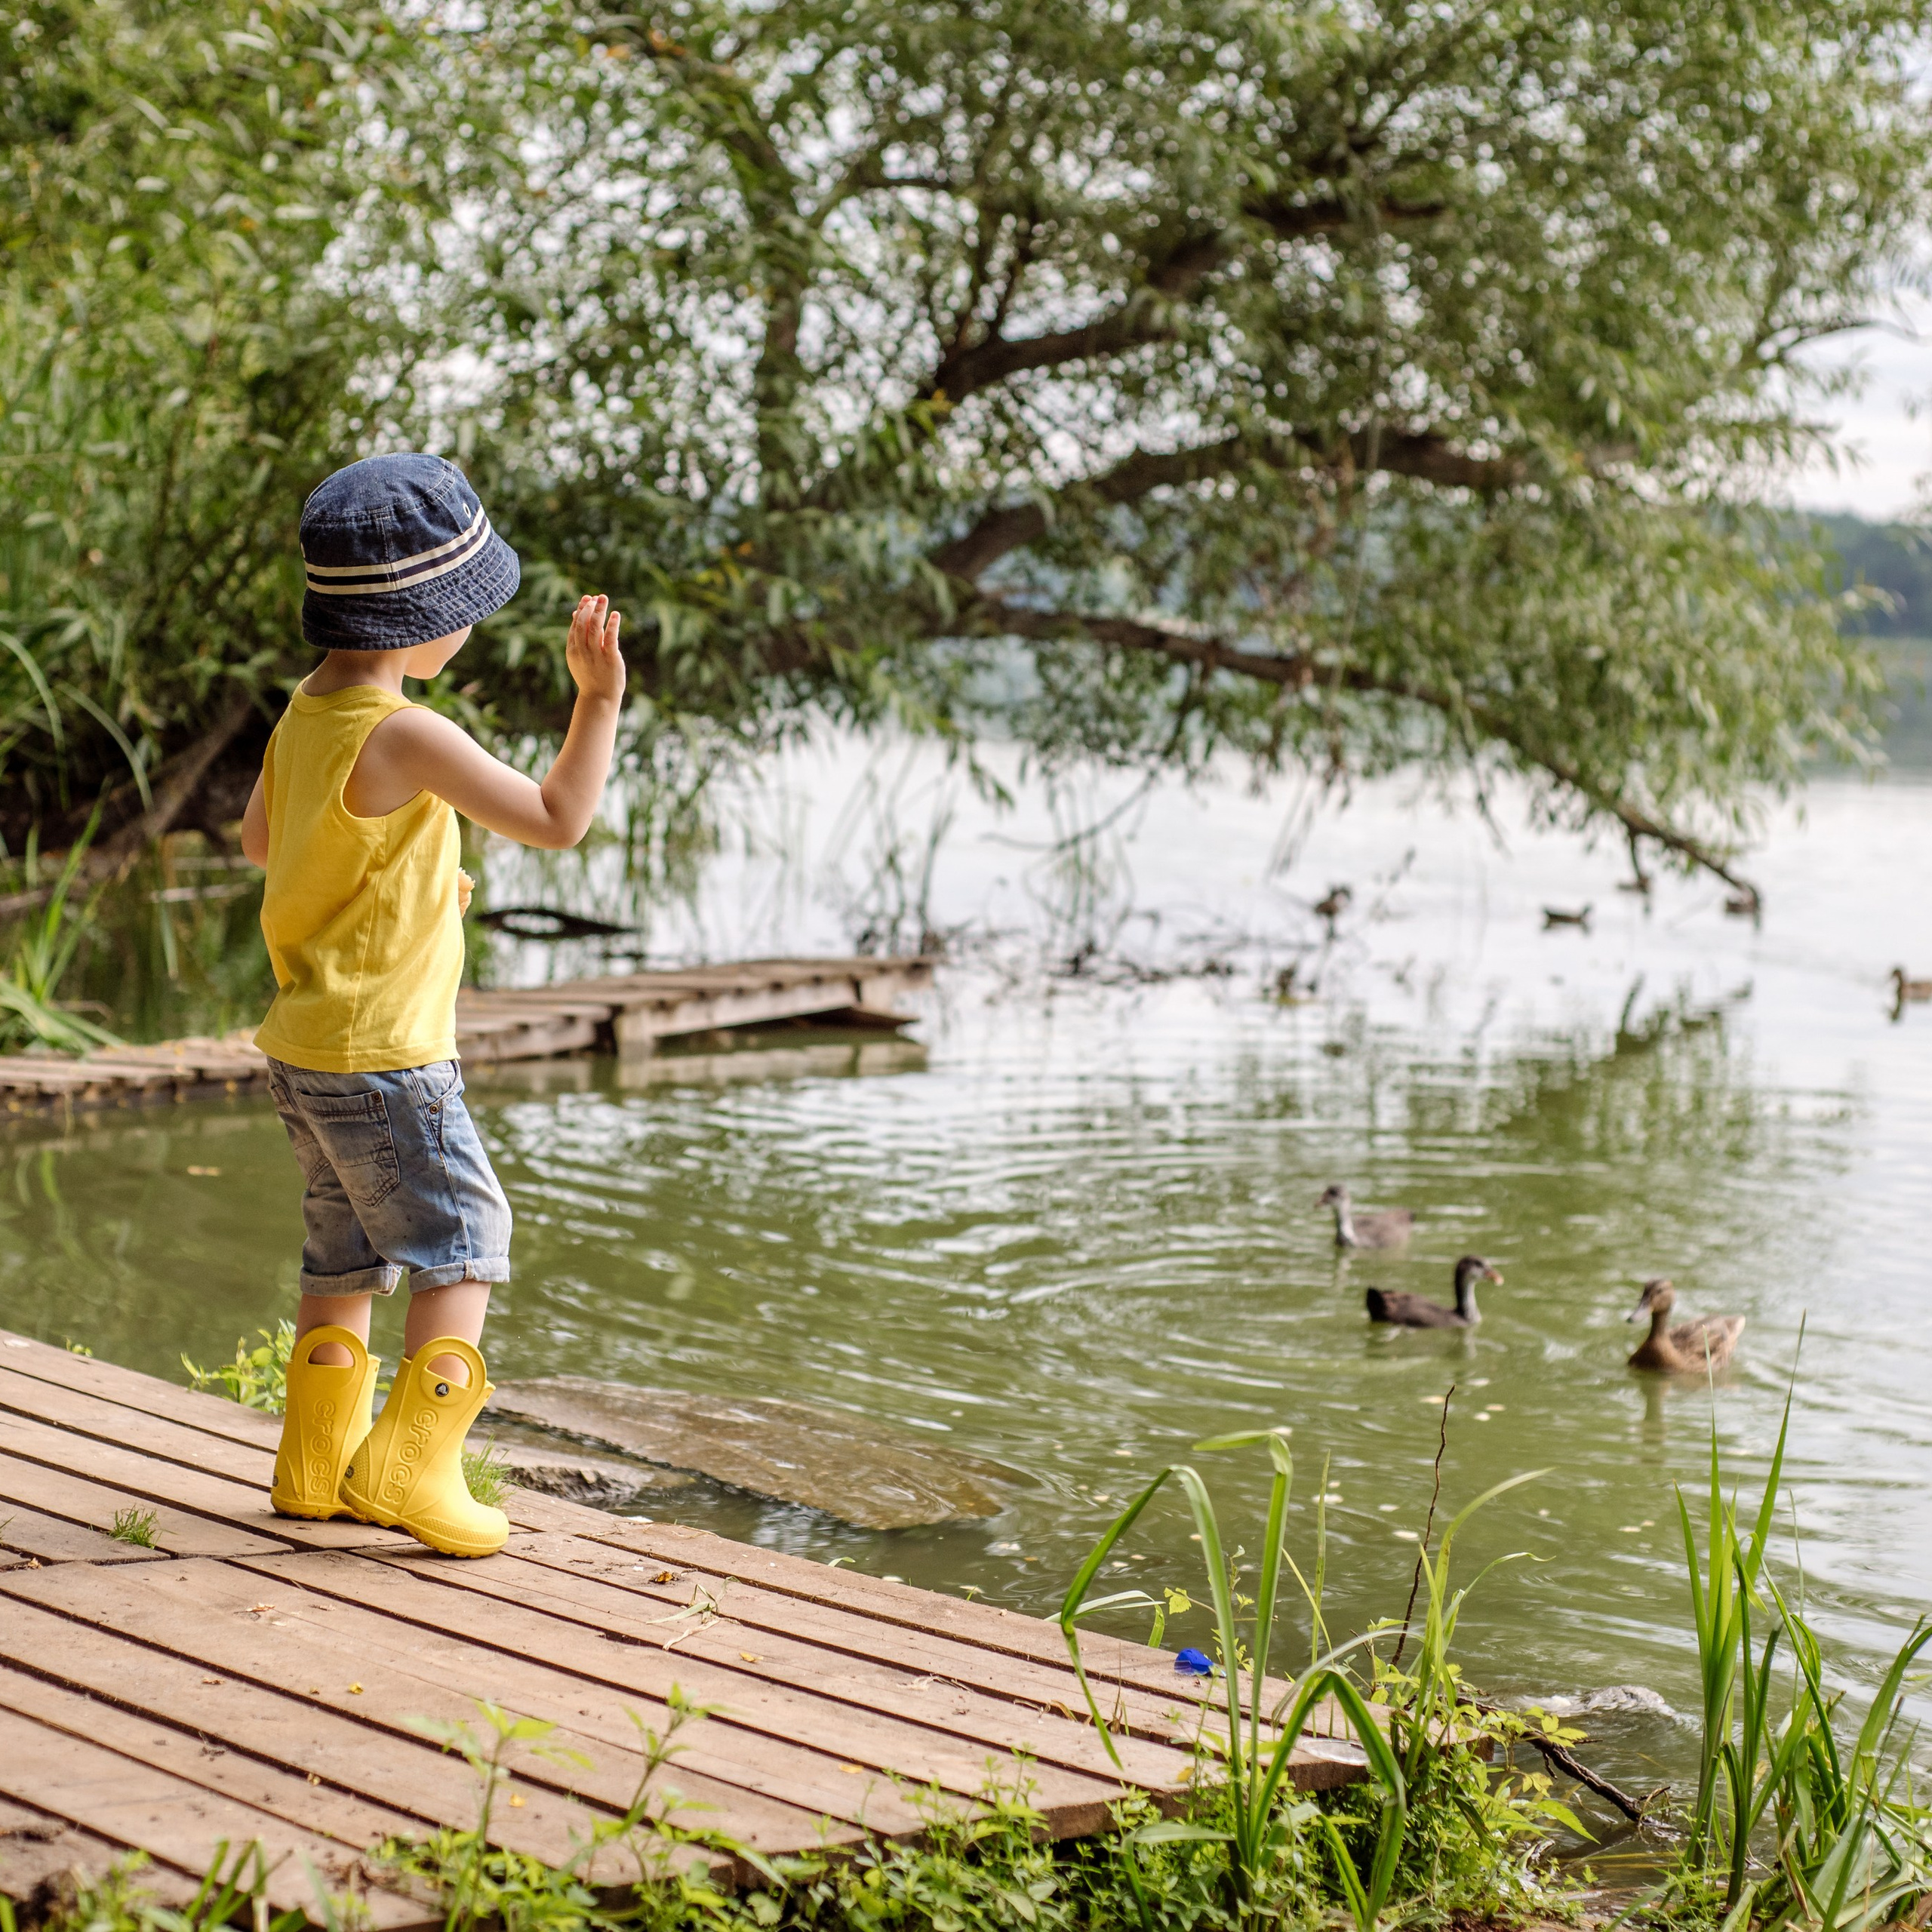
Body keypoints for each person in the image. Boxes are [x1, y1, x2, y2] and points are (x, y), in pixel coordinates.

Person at [238, 452, 623, 1557]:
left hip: (307, 1048)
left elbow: (267, 844)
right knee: (465, 1240)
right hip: (390, 1056)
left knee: (344, 1255)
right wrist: (597, 701)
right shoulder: (408, 731)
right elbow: (557, 818)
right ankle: (408, 1474)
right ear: (429, 621)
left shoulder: (304, 713)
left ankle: (313, 1466)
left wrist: (406, 887)